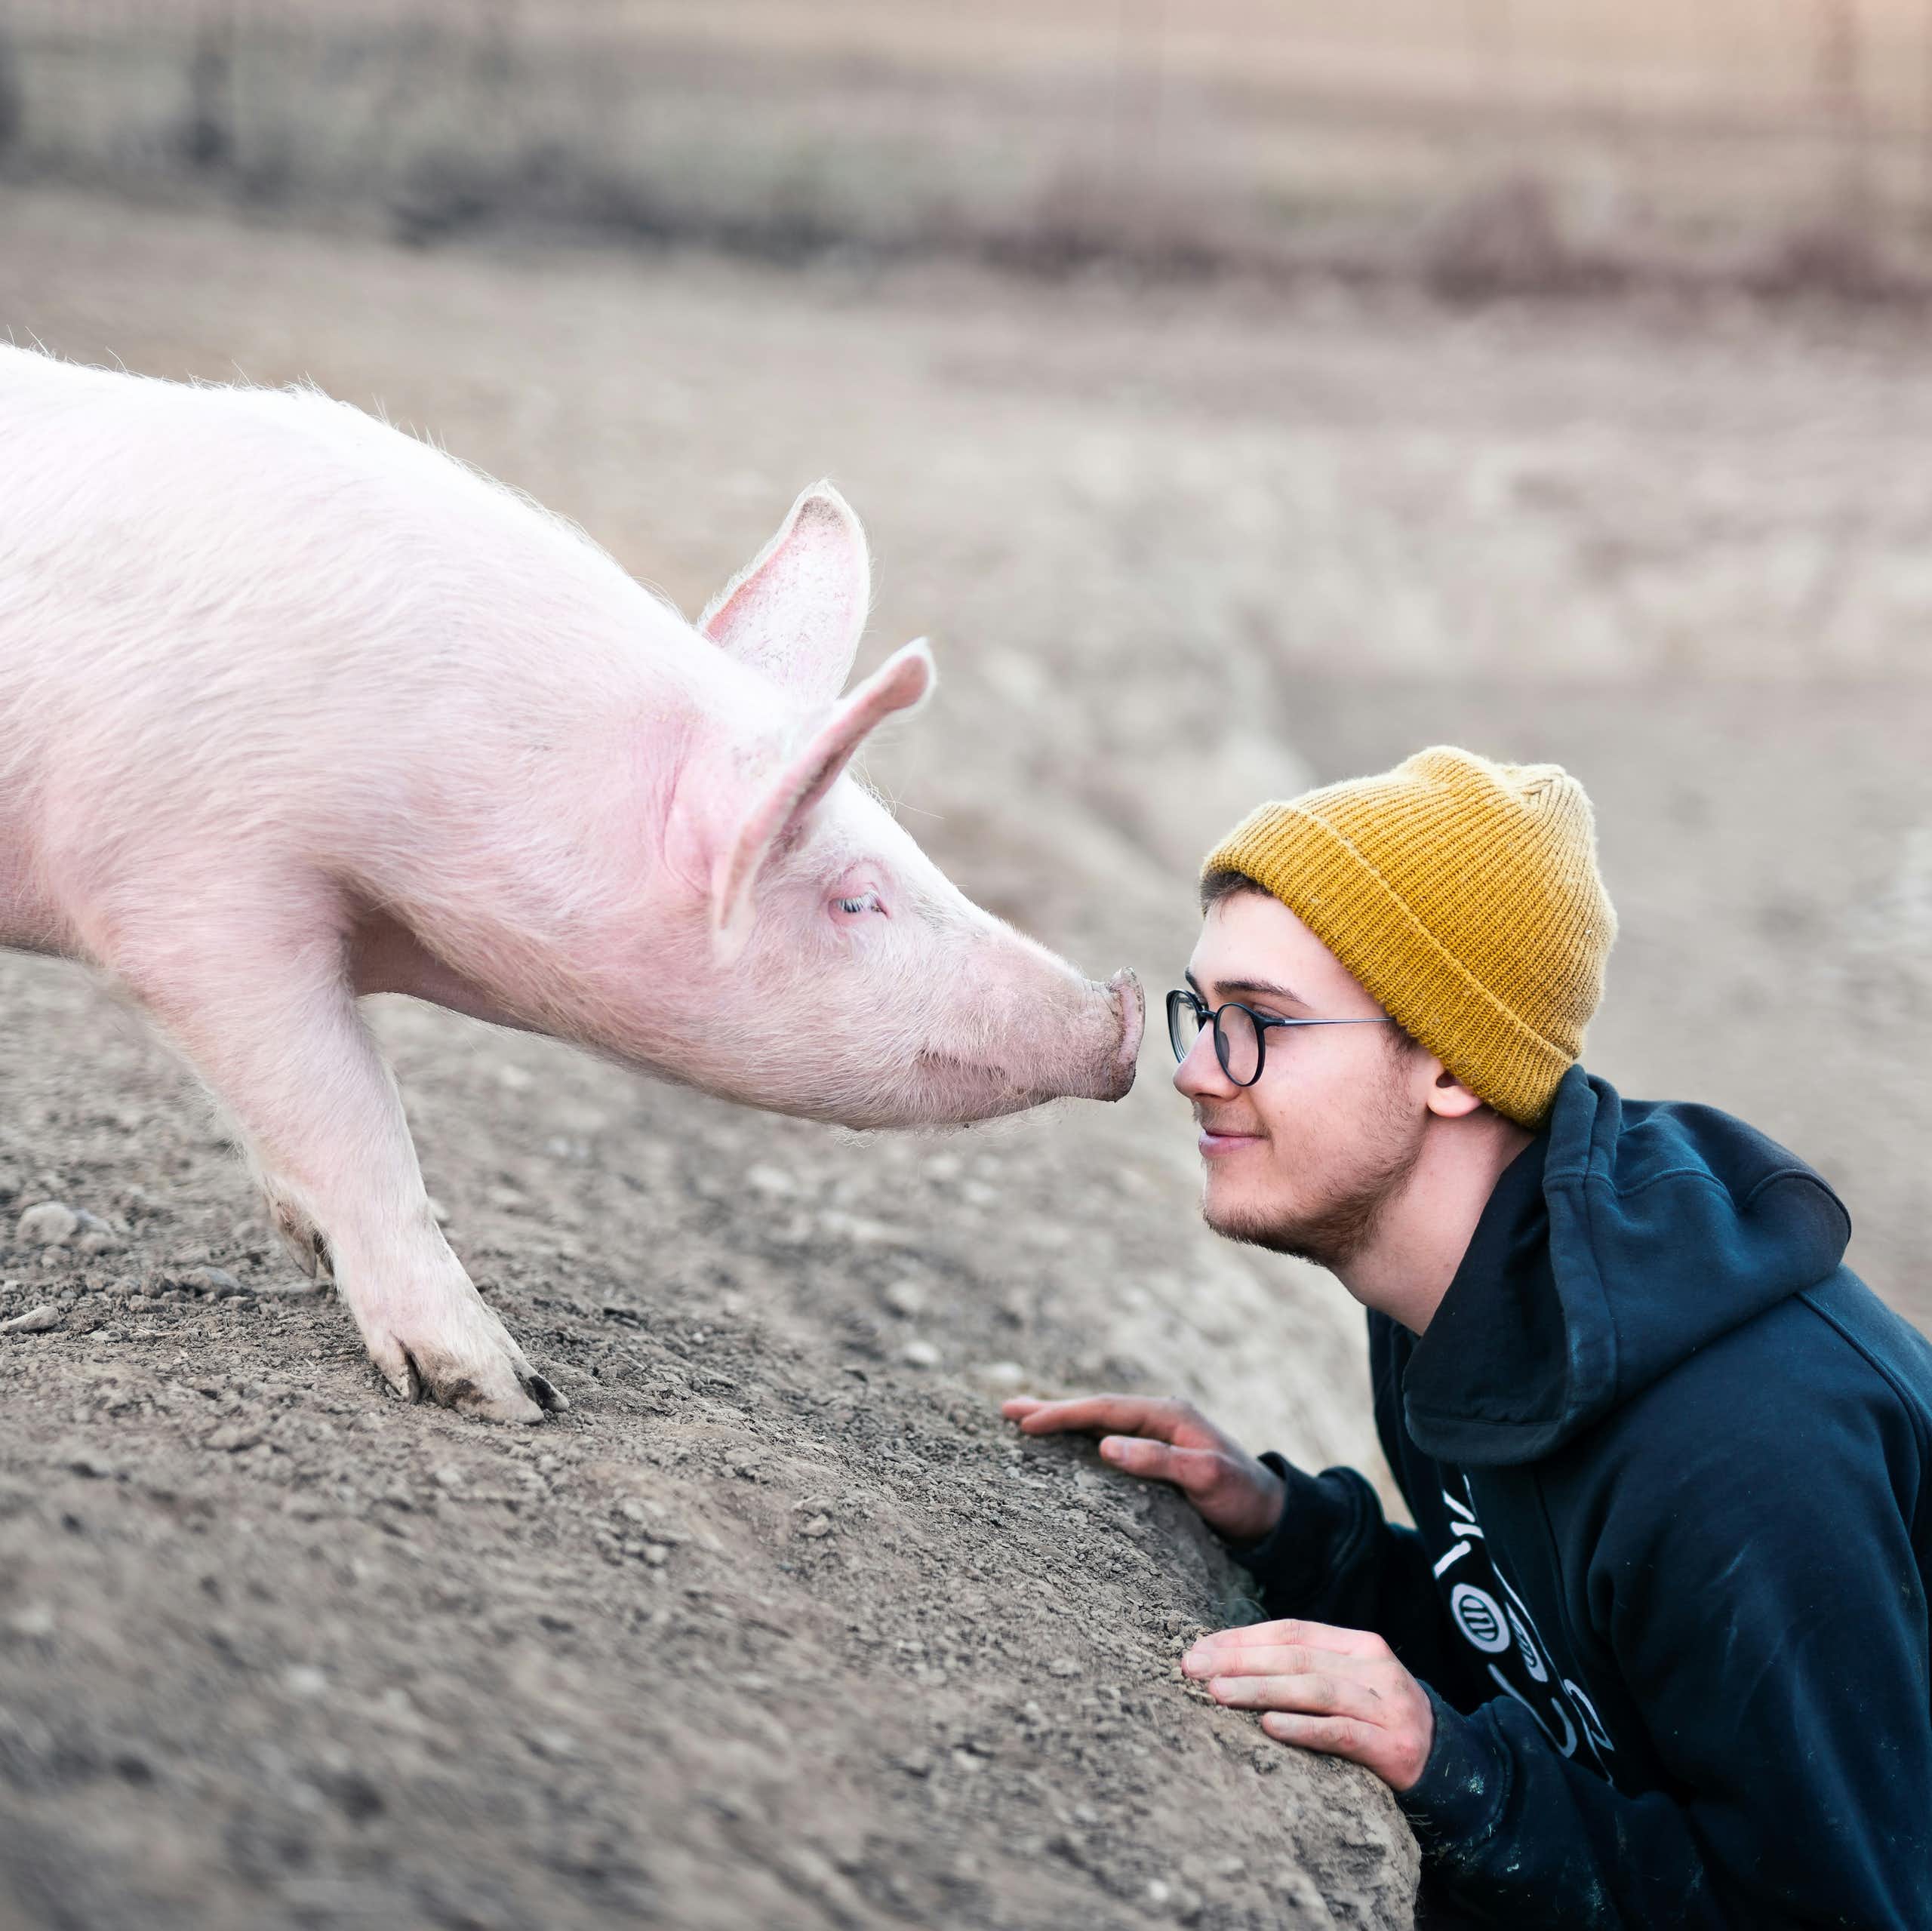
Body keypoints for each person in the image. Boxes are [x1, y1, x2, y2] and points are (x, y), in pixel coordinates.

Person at [1005, 747, 1932, 1929]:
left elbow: (1837, 1907)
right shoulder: (1451, 1290)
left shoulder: (1743, 1456)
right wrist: (1302, 1536)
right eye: (1204, 1012)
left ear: (1449, 1061)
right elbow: (1549, 1649)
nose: (1192, 1070)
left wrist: (1465, 1777)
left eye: (1261, 1022)